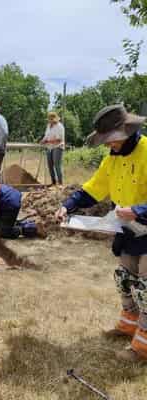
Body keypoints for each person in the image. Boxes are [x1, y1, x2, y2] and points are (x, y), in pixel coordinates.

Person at [56, 104, 147, 362]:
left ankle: (143, 346)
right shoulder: (111, 160)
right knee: (124, 279)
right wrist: (67, 205)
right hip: (127, 231)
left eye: (110, 140)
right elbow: (92, 190)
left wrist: (138, 210)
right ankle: (129, 325)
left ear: (125, 132)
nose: (108, 145)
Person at [41, 111, 65, 185]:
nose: (50, 121)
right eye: (49, 119)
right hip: (49, 147)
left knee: (57, 165)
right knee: (50, 165)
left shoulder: (59, 126)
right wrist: (43, 140)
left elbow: (59, 140)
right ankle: (53, 182)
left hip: (58, 147)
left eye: (52, 119)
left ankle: (60, 183)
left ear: (55, 119)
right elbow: (46, 135)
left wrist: (48, 141)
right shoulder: (48, 126)